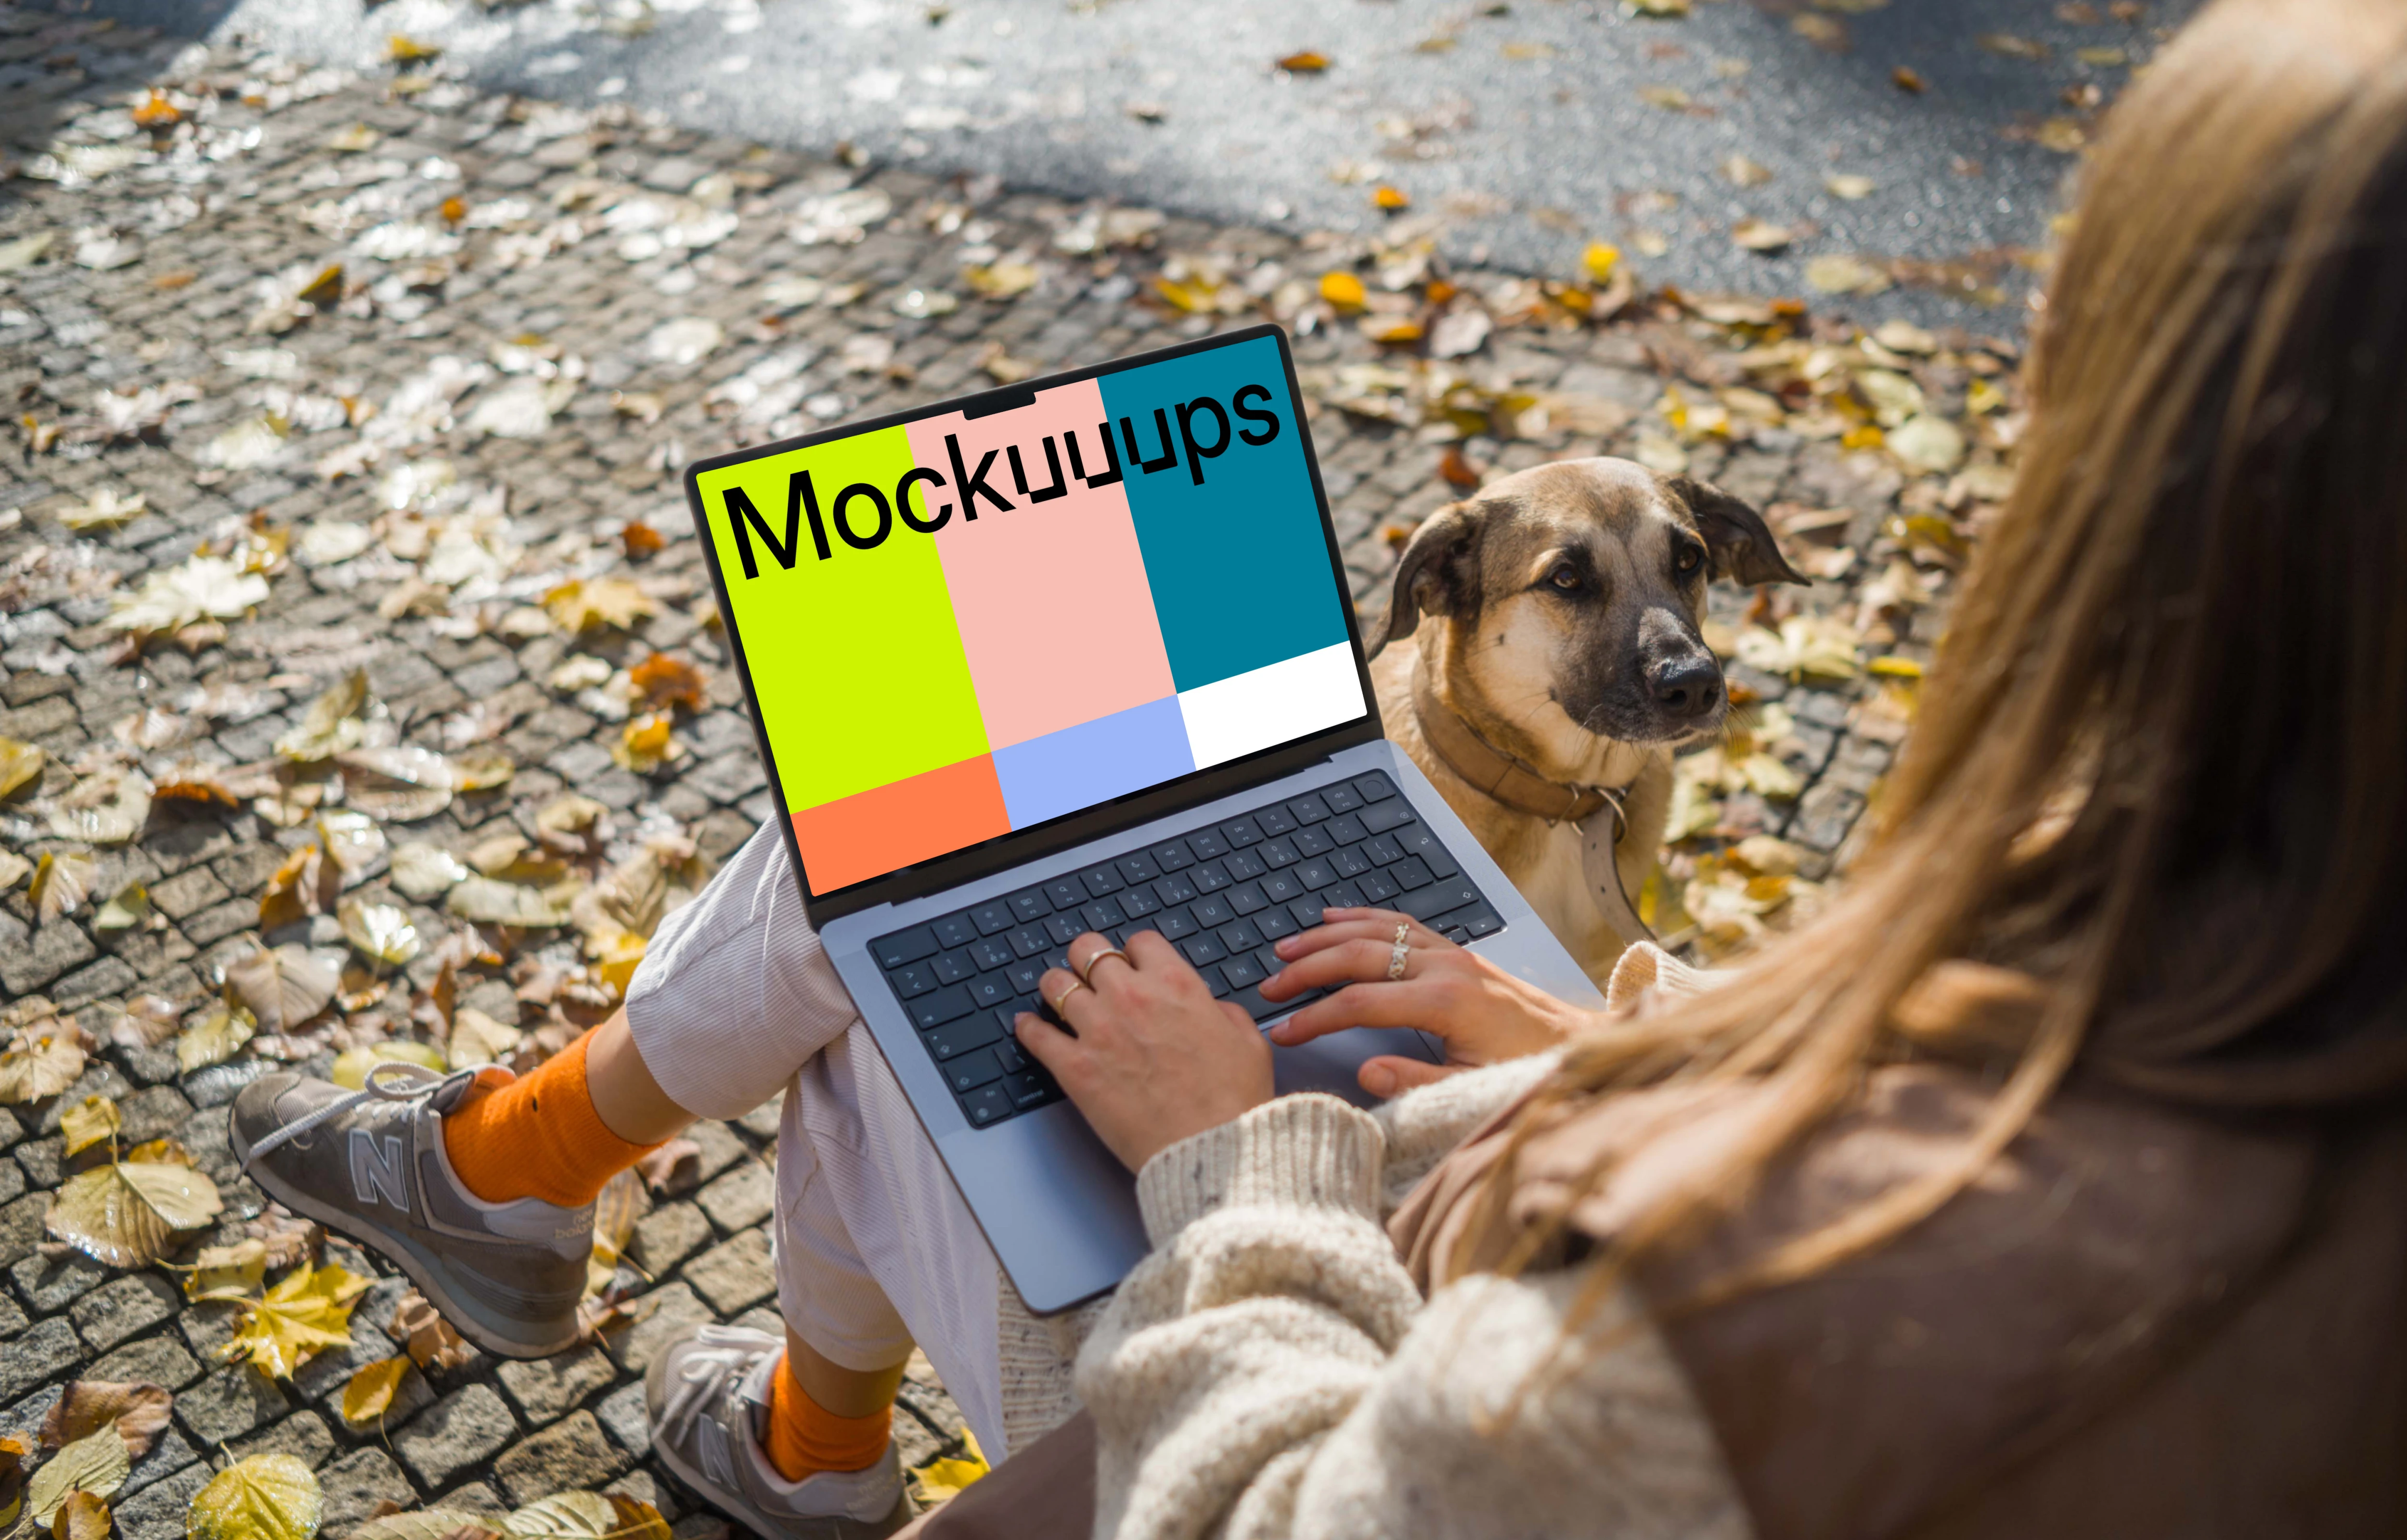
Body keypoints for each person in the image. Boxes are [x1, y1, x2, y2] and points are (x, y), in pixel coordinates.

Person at [234, 0, 2407, 1530]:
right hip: (1483, 1126)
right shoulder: (2207, 1027)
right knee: (917, 885)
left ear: (2126, 488)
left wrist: (1223, 1156)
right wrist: (1573, 1040)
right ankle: (667, 1319)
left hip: (1284, 1351)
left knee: (889, 900)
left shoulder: (1813, 1283)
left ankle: (586, 1234)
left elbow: (1294, 1507)